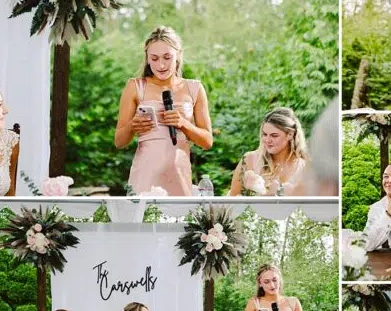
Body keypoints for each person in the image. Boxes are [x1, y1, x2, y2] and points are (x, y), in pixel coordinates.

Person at [114, 26, 213, 196]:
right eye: (154, 58)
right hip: (145, 176)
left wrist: (183, 124)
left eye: (167, 57)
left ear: (178, 55)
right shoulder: (135, 87)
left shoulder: (194, 88)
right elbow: (119, 142)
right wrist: (132, 126)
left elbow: (207, 141)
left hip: (179, 176)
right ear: (147, 58)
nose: (161, 65)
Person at [230, 107, 308, 196]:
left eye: (274, 136)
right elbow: (233, 201)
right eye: (265, 134)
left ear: (290, 134)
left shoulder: (305, 167)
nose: (267, 140)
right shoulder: (249, 160)